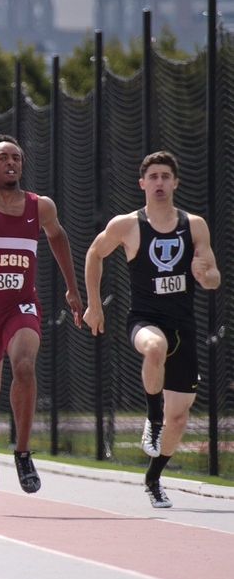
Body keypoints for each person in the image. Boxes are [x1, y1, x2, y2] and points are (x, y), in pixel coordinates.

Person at [83, 151, 219, 509]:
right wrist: (94, 305)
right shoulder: (127, 225)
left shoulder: (194, 225)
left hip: (184, 327)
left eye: (165, 176)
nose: (159, 183)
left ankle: (154, 477)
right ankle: (152, 418)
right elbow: (95, 254)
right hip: (143, 320)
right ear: (142, 184)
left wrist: (205, 274)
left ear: (175, 182)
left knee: (181, 415)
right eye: (153, 177)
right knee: (154, 347)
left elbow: (214, 278)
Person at [0, 134, 82, 496]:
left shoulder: (40, 206)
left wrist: (72, 287)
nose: (11, 163)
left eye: (17, 158)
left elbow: (58, 237)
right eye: (3, 158)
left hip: (21, 305)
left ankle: (22, 452)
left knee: (24, 366)